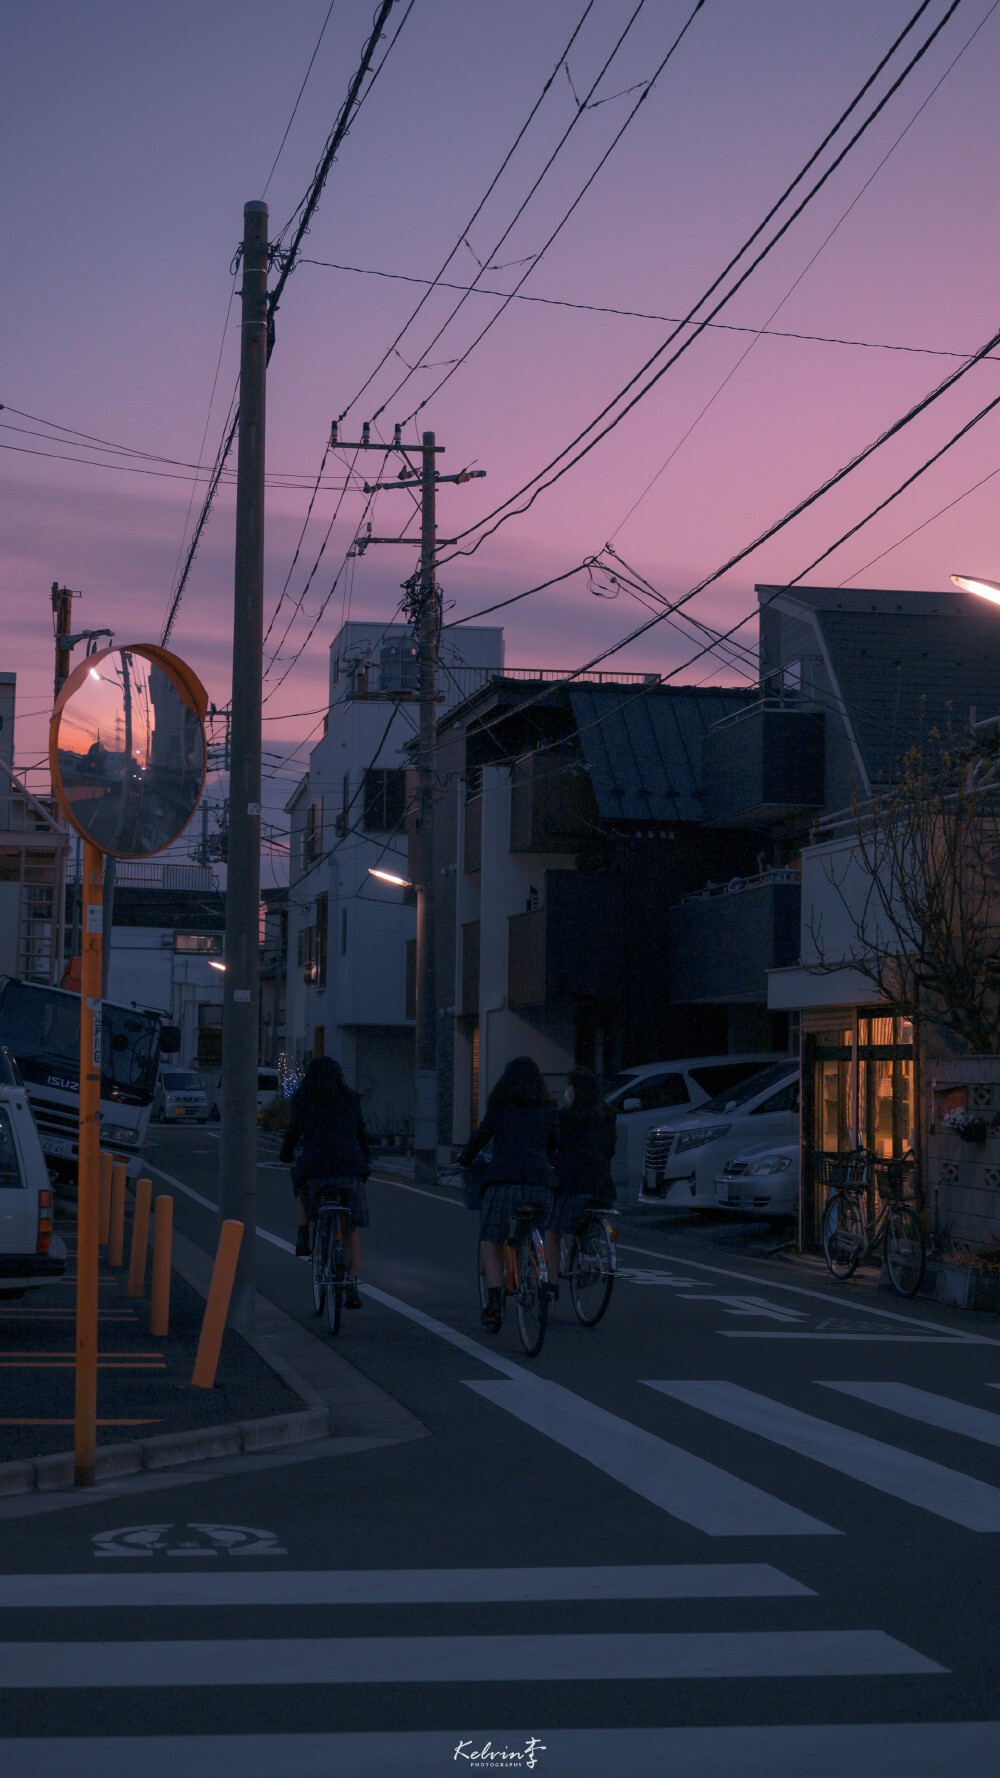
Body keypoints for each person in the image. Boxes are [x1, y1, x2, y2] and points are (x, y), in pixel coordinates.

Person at [456, 1055, 557, 1331]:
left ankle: (494, 1303)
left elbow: (481, 1137)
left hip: (503, 1183)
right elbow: (553, 1148)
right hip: (540, 1186)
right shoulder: (549, 1109)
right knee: (539, 1230)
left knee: (492, 1239)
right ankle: (540, 1275)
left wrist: (464, 1159)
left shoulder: (500, 1106)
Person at [279, 1056, 371, 1308]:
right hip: (351, 1170)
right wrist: (366, 1161)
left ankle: (303, 1233)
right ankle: (352, 1285)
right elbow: (360, 1134)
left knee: (300, 1180)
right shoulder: (351, 1099)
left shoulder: (304, 1098)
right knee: (351, 1230)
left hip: (315, 1169)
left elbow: (293, 1131)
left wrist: (285, 1154)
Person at [543, 1067, 617, 1297]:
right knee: (585, 1222)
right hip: (603, 1187)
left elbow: (552, 1148)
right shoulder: (607, 1115)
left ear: (574, 1089)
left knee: (552, 1233)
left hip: (573, 1186)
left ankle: (551, 1285)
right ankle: (590, 1258)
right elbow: (609, 1150)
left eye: (569, 1085)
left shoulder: (564, 1116)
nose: (567, 1090)